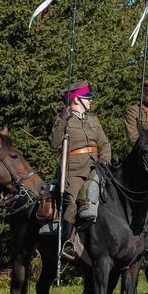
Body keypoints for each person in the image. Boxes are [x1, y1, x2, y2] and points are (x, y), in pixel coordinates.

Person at [49, 80, 111, 261]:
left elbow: (104, 143)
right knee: (74, 203)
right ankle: (66, 244)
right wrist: (62, 119)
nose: (90, 101)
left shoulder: (94, 119)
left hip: (96, 166)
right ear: (76, 100)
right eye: (87, 98)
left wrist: (105, 158)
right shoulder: (64, 119)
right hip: (74, 170)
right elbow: (54, 144)